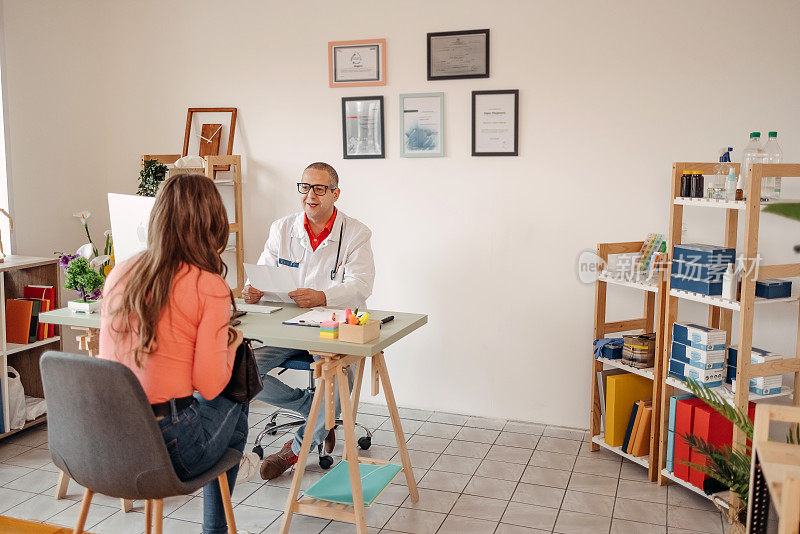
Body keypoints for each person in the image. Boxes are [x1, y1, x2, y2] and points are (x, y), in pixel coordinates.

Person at [99, 174, 249, 534]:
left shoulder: (120, 272)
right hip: (168, 449)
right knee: (238, 394)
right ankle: (216, 529)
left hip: (104, 442)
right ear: (212, 223)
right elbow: (209, 386)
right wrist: (231, 345)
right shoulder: (208, 285)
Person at [242, 161, 375, 479]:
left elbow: (361, 285)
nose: (310, 195)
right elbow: (265, 273)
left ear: (335, 193)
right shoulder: (282, 228)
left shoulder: (356, 233)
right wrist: (255, 290)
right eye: (305, 187)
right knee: (241, 370)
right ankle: (313, 408)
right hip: (287, 326)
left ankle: (294, 449)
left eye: (319, 188)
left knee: (339, 382)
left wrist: (323, 297)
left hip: (335, 325)